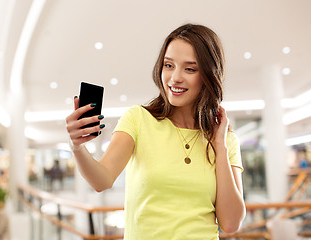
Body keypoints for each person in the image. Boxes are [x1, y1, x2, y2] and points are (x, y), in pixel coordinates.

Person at [66, 23, 246, 239]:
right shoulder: (138, 119)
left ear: (209, 74)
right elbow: (101, 180)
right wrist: (77, 146)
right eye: (169, 65)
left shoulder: (225, 140)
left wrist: (220, 147)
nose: (175, 77)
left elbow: (231, 223)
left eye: (190, 69)